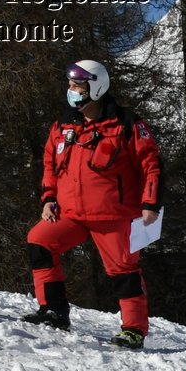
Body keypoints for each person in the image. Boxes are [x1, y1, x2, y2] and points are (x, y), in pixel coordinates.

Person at [22, 60, 162, 351]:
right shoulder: (62, 125)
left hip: (114, 214)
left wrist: (150, 202)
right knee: (39, 241)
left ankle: (133, 329)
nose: (71, 91)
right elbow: (50, 164)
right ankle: (53, 310)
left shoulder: (126, 124)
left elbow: (151, 164)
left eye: (77, 86)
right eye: (70, 85)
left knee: (124, 270)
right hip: (71, 212)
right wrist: (48, 199)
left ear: (95, 88)